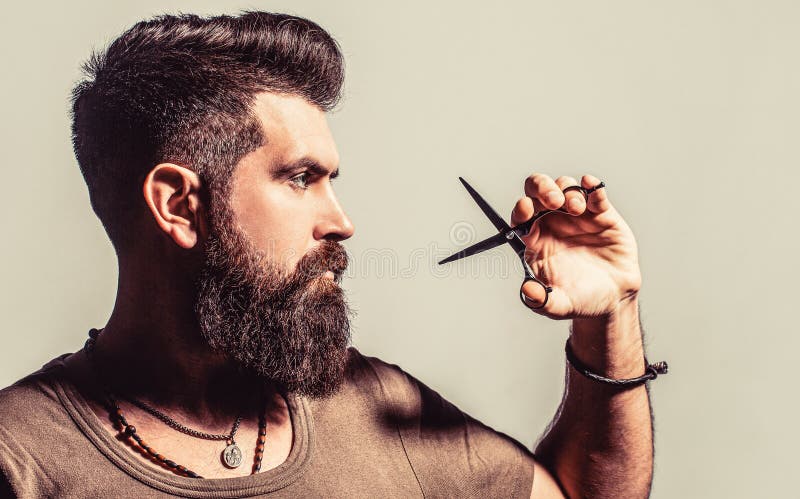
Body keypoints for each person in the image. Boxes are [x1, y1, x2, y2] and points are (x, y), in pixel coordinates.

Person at [0, 11, 660, 498]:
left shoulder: (372, 403)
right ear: (178, 204)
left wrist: (609, 318)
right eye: (300, 177)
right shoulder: (21, 457)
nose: (341, 222)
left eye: (331, 180)